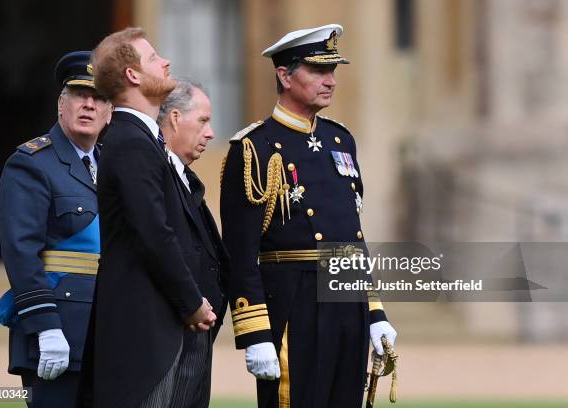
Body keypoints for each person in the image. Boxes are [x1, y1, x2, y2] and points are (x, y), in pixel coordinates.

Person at [220, 24, 398, 408]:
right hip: (293, 307)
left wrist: (374, 312)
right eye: (318, 70)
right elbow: (239, 253)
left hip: (345, 306)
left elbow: (353, 238)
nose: (330, 81)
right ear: (284, 75)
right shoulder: (255, 148)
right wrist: (254, 333)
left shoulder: (341, 140)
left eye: (333, 70)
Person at [81, 28, 216, 408]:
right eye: (154, 57)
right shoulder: (130, 141)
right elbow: (155, 232)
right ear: (133, 76)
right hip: (147, 339)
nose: (166, 62)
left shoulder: (143, 141)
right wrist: (192, 302)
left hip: (163, 328)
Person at [0, 50, 112, 408]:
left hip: (108, 334)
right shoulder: (32, 164)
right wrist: (45, 325)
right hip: (57, 332)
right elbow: (21, 251)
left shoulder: (113, 166)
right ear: (62, 104)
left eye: (99, 98)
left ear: (110, 113)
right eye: (80, 95)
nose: (89, 105)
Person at [156, 77, 231, 407]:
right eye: (202, 121)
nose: (211, 133)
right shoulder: (155, 172)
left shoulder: (184, 178)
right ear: (174, 118)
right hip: (167, 337)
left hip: (195, 335)